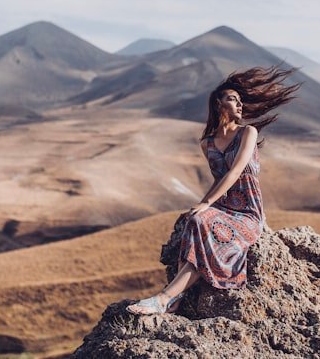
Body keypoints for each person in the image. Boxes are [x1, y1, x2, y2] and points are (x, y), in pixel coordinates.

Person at [127, 65, 300, 315]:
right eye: (232, 99)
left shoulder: (247, 133)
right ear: (218, 104)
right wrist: (204, 205)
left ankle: (165, 298)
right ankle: (172, 297)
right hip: (223, 207)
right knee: (194, 221)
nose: (239, 105)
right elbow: (218, 178)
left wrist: (206, 203)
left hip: (247, 212)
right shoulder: (207, 144)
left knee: (203, 220)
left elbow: (235, 171)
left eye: (240, 101)